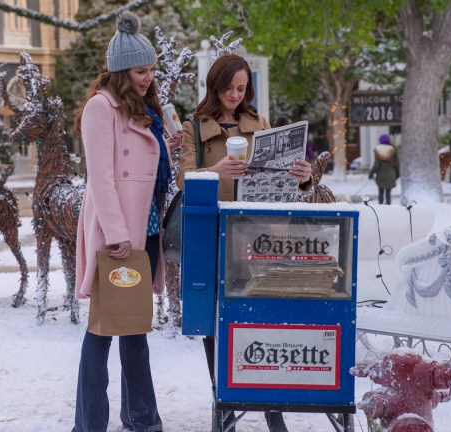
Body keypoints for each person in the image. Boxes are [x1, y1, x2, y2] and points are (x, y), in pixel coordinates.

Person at [176, 53, 314, 432]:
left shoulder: (259, 123)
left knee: (263, 319)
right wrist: (215, 171)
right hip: (214, 234)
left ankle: (272, 408)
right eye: (228, 88)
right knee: (215, 322)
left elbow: (282, 180)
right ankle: (223, 404)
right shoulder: (195, 126)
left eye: (241, 88)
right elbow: (182, 179)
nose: (235, 95)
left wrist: (302, 176)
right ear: (214, 86)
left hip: (259, 235)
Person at [72, 11, 181, 432]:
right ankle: (90, 423)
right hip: (116, 232)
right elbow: (100, 177)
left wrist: (168, 146)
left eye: (152, 69)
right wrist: (116, 234)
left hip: (146, 229)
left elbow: (150, 176)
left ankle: (142, 419)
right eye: (141, 70)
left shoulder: (144, 110)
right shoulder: (102, 108)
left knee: (134, 328)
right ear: (120, 71)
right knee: (102, 330)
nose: (149, 77)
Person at [368, 133, 399, 205]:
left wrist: (371, 173)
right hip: (391, 173)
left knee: (380, 192)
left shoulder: (377, 150)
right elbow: (397, 164)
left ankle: (380, 206)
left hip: (380, 174)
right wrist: (397, 174)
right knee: (388, 193)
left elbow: (376, 165)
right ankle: (388, 206)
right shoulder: (393, 149)